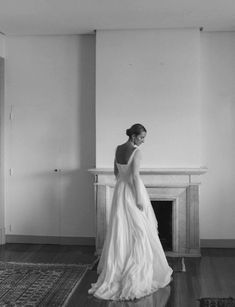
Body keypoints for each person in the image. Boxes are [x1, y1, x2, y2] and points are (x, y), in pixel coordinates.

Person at [88, 123, 173, 301]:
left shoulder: (118, 148)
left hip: (120, 191)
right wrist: (139, 198)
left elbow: (116, 173)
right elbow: (134, 176)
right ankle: (135, 270)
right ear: (133, 136)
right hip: (133, 191)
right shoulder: (137, 152)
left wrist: (123, 187)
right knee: (140, 230)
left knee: (122, 228)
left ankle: (119, 266)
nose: (143, 141)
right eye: (141, 138)